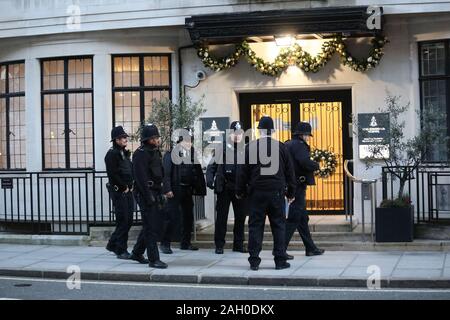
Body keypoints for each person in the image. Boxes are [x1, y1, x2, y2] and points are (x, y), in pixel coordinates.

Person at [236, 116, 296, 271]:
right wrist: (291, 193)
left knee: (255, 226)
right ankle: (280, 260)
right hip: (276, 193)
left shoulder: (250, 147)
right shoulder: (282, 148)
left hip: (256, 193)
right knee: (279, 226)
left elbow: (242, 172)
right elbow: (290, 173)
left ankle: (254, 260)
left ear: (259, 131)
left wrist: (240, 191)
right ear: (273, 131)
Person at [160, 127, 207, 254]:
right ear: (179, 141)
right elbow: (167, 174)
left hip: (187, 189)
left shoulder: (192, 154)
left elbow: (197, 171)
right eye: (186, 140)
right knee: (171, 217)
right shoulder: (171, 154)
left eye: (190, 141)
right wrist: (167, 189)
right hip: (175, 189)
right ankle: (165, 243)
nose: (189, 143)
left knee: (188, 217)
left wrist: (200, 189)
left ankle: (185, 243)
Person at [206, 121, 247, 254]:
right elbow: (211, 166)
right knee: (221, 218)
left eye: (240, 133)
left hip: (239, 188)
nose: (237, 136)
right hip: (224, 188)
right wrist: (209, 179)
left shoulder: (245, 149)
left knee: (240, 218)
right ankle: (219, 245)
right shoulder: (222, 148)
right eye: (235, 133)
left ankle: (238, 245)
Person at [130, 124, 168, 269]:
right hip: (145, 192)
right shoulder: (140, 153)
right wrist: (148, 196)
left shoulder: (155, 152)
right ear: (148, 139)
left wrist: (162, 191)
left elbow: (161, 173)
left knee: (152, 226)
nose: (157, 140)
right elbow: (140, 178)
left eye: (157, 137)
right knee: (151, 227)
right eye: (154, 138)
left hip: (156, 191)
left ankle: (137, 252)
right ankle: (154, 259)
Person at [285, 122, 325, 257]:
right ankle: (280, 249)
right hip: (298, 186)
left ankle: (310, 248)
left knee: (302, 219)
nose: (308, 137)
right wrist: (317, 165)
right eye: (308, 135)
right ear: (303, 135)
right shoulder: (299, 145)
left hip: (292, 184)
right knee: (293, 219)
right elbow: (304, 161)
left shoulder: (289, 144)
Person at [104, 126, 134, 260]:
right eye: (122, 137)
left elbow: (129, 170)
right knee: (124, 220)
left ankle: (112, 244)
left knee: (128, 220)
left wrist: (131, 185)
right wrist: (123, 187)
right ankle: (121, 250)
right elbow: (113, 174)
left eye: (125, 137)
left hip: (127, 190)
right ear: (116, 140)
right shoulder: (112, 154)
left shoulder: (124, 153)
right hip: (119, 192)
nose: (125, 139)